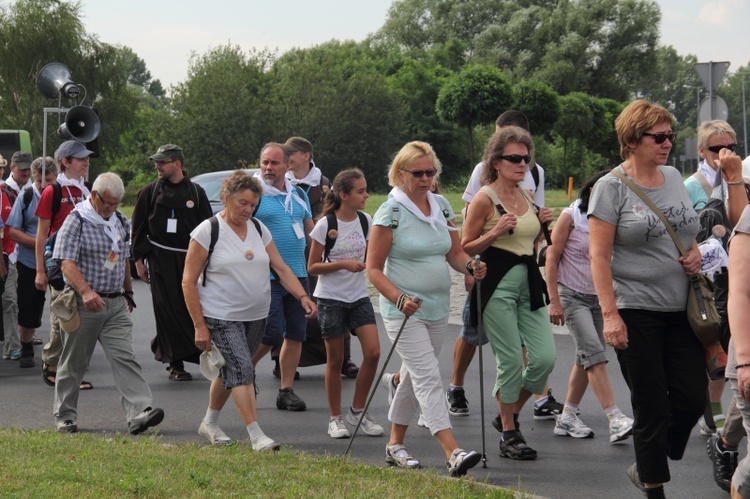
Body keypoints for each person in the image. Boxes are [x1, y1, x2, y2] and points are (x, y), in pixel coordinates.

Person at [588, 99, 706, 498]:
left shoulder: (673, 176)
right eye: (659, 136)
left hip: (681, 308)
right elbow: (598, 256)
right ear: (633, 139)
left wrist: (696, 252)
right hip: (634, 310)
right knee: (652, 405)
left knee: (691, 399)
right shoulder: (610, 187)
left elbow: (689, 231)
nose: (668, 143)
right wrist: (609, 316)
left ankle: (650, 458)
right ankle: (653, 484)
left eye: (671, 135)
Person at [367, 140, 485, 477]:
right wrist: (399, 299)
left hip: (437, 308)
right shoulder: (389, 212)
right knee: (429, 377)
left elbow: (454, 252)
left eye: (430, 172)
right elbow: (373, 268)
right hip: (403, 312)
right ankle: (453, 451)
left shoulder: (442, 205)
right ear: (400, 174)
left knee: (413, 378)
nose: (424, 178)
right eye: (417, 172)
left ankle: (394, 446)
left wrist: (471, 267)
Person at [183, 171, 313, 450]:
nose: (248, 209)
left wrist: (302, 295)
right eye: (242, 203)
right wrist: (199, 325)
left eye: (253, 204)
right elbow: (188, 281)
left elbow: (279, 267)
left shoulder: (257, 228)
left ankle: (209, 423)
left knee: (231, 371)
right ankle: (256, 435)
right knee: (243, 369)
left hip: (256, 315)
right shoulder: (208, 231)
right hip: (220, 316)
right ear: (226, 199)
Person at [448, 110, 561, 423]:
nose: (523, 164)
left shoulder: (526, 190)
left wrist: (541, 225)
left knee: (544, 358)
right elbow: (463, 246)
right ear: (495, 162)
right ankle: (508, 429)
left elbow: (529, 240)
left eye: (525, 159)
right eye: (514, 159)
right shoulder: (485, 197)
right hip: (496, 281)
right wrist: (494, 233)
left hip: (528, 280)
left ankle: (511, 411)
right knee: (508, 359)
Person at [53, 172, 164, 435]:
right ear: (94, 195)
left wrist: (128, 292)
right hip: (84, 304)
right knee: (74, 363)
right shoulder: (76, 221)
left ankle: (140, 412)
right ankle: (65, 416)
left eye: (116, 203)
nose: (111, 208)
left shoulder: (119, 221)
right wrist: (87, 292)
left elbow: (121, 258)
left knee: (126, 358)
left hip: (114, 304)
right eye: (108, 203)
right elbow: (66, 262)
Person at [544, 170, 634, 442]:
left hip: (598, 299)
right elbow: (551, 257)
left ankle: (567, 417)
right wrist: (554, 301)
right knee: (594, 353)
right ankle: (615, 417)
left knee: (585, 357)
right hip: (571, 295)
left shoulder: (612, 218)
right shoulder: (571, 216)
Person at [307, 168, 383, 439]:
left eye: (365, 190)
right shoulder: (325, 224)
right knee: (336, 360)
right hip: (330, 299)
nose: (366, 195)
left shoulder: (366, 220)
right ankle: (335, 418)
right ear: (344, 195)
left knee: (373, 353)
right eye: (361, 191)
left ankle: (358, 411)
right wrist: (342, 264)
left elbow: (375, 255)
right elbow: (312, 267)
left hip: (359, 297)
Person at [131, 144, 212, 382]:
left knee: (192, 308)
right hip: (160, 259)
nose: (157, 166)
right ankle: (174, 363)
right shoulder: (149, 192)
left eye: (162, 162)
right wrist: (137, 260)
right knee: (165, 309)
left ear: (177, 163)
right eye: (156, 162)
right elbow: (138, 228)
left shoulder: (196, 193)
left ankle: (199, 354)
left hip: (191, 259)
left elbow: (208, 227)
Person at [283, 136, 359, 379]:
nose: (287, 160)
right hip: (289, 253)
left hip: (320, 252)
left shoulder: (325, 184)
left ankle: (342, 359)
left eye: (290, 155)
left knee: (333, 301)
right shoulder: (280, 183)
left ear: (305, 155)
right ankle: (284, 362)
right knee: (292, 306)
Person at [251, 142, 314, 411]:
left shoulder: (299, 194)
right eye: (265, 162)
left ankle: (285, 390)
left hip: (298, 274)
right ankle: (242, 370)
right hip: (268, 276)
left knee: (296, 333)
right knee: (272, 332)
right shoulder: (253, 194)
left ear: (288, 165)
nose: (268, 167)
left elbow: (311, 232)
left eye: (274, 163)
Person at [684, 120, 737, 435]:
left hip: (733, 275)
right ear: (702, 150)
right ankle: (708, 411)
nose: (724, 154)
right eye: (717, 148)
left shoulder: (738, 179)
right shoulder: (691, 186)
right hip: (702, 280)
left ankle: (716, 412)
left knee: (728, 348)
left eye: (730, 147)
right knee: (709, 343)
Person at [35, 140, 93, 390]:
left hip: (84, 264)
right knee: (64, 319)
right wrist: (40, 270)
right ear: (66, 162)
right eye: (80, 159)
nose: (86, 162)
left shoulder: (87, 190)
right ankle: (51, 364)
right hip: (60, 265)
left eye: (87, 158)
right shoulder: (53, 191)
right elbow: (41, 233)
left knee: (81, 322)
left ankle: (69, 371)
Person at [706, 148, 747, 493]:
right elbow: (738, 291)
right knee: (741, 382)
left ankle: (726, 443)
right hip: (735, 312)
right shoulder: (735, 220)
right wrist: (745, 359)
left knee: (741, 396)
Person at [7, 157, 58, 368]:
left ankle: (64, 349)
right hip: (29, 261)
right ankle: (26, 345)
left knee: (65, 306)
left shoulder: (61, 196)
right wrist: (40, 243)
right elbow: (13, 231)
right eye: (39, 181)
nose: (44, 186)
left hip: (60, 261)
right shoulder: (26, 197)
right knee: (29, 307)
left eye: (49, 180)